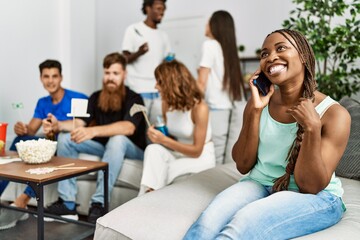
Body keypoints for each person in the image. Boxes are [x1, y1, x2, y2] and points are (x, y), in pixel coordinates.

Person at [183, 29, 351, 239]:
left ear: (304, 56)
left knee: (242, 225)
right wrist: (255, 109)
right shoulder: (258, 103)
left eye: (281, 48)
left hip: (318, 197)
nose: (271, 57)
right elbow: (243, 164)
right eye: (264, 54)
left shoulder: (334, 114)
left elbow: (310, 186)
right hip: (260, 184)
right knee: (205, 225)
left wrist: (312, 128)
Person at [45, 53, 146, 224]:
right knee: (64, 139)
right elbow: (79, 123)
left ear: (124, 75)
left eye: (115, 73)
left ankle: (99, 203)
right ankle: (68, 204)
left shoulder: (135, 98)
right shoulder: (95, 96)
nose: (110, 78)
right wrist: (58, 125)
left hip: (132, 150)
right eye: (107, 73)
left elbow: (129, 128)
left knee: (117, 139)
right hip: (106, 148)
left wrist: (94, 131)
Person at [0, 59, 87, 230]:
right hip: (47, 145)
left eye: (54, 76)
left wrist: (58, 126)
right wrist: (22, 128)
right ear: (41, 78)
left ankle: (23, 201)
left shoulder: (77, 98)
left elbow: (85, 124)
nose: (50, 81)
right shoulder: (43, 102)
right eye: (46, 76)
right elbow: (31, 130)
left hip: (66, 143)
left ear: (61, 77)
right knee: (19, 141)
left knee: (47, 145)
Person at [139, 60, 215, 195]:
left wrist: (164, 140)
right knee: (152, 149)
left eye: (159, 82)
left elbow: (196, 151)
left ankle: (148, 197)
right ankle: (148, 198)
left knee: (165, 169)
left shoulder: (199, 108)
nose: (156, 87)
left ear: (173, 83)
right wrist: (158, 134)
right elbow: (171, 138)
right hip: (177, 152)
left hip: (199, 157)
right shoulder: (166, 104)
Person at [197, 10, 247, 165]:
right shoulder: (228, 49)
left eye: (208, 21)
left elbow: (201, 84)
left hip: (215, 108)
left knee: (215, 156)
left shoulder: (210, 45)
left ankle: (215, 188)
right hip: (228, 108)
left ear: (215, 25)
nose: (206, 25)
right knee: (226, 155)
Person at [122, 0, 171, 125]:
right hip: (138, 89)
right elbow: (124, 59)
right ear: (148, 8)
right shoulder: (133, 30)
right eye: (159, 8)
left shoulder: (163, 35)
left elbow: (167, 60)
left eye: (163, 9)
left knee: (156, 128)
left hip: (158, 90)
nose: (162, 12)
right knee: (139, 129)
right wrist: (139, 52)